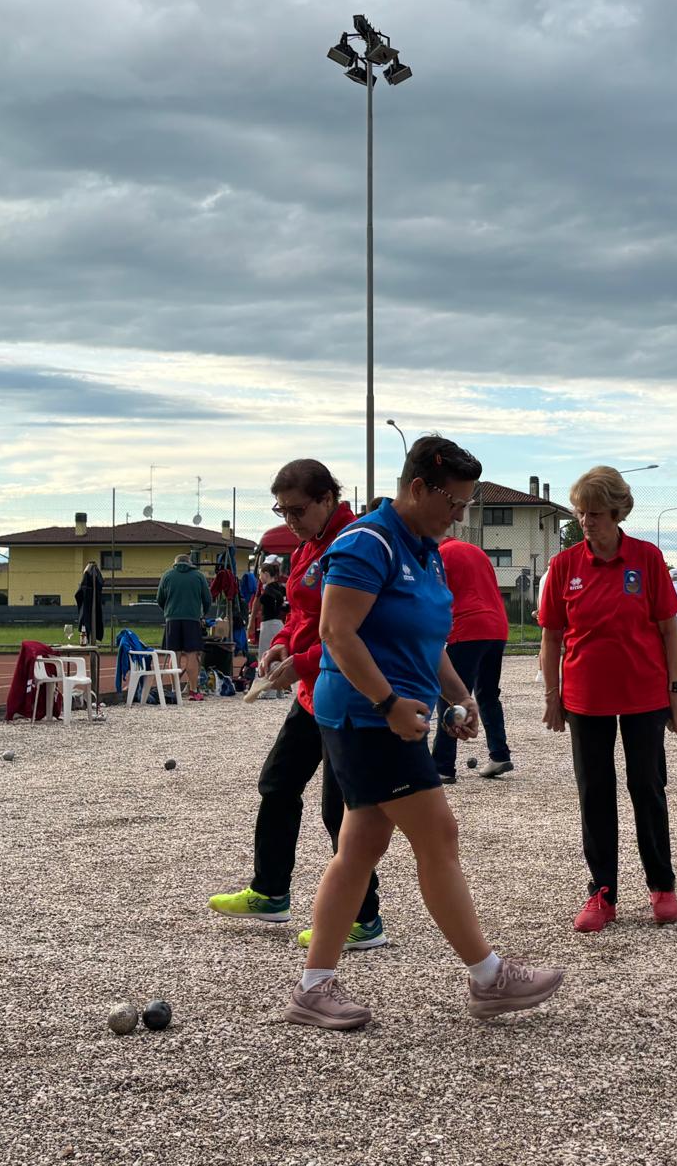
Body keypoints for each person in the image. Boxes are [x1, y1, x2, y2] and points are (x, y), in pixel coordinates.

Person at [285, 436, 564, 1030]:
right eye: (454, 502)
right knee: (438, 834)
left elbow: (425, 640)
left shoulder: (425, 548)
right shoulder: (367, 542)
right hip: (365, 716)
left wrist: (459, 696)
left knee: (359, 847)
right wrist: (387, 703)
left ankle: (313, 987)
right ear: (418, 489)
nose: (459, 515)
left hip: (388, 712)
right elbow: (337, 632)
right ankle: (488, 977)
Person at [207, 463, 386, 948]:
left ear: (328, 498)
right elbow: (304, 615)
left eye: (298, 509)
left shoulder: (354, 542)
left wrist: (302, 662)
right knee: (278, 783)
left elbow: (355, 629)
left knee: (340, 809)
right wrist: (283, 643)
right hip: (312, 691)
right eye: (282, 510)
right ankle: (270, 892)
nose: (290, 520)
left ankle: (364, 918)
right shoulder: (309, 546)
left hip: (344, 691)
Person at [539, 466, 677, 934]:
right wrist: (553, 694)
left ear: (618, 511)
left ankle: (661, 886)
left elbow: (670, 630)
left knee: (647, 787)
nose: (587, 522)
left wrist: (676, 691)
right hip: (586, 698)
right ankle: (601, 892)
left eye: (596, 514)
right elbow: (551, 637)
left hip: (645, 695)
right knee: (595, 794)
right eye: (582, 513)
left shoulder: (646, 559)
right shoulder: (565, 565)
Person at [433, 534, 514, 781]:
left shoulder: (440, 555)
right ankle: (499, 754)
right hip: (497, 626)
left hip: (468, 627)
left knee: (451, 695)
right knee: (488, 693)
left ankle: (442, 766)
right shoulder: (476, 551)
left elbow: (437, 596)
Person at [156, 553, 213, 700]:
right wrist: (202, 614)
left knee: (174, 654)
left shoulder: (167, 576)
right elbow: (207, 599)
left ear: (175, 563)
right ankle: (193, 690)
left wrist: (168, 611)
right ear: (190, 563)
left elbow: (159, 599)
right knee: (192, 654)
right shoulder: (198, 576)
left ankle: (175, 690)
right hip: (192, 619)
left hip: (172, 620)